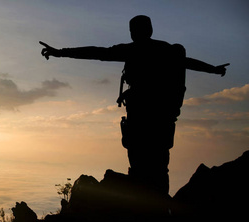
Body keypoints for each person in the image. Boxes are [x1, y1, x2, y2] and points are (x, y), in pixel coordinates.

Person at [40, 15, 228, 195]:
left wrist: (60, 53)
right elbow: (188, 63)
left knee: (139, 165)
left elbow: (97, 52)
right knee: (160, 165)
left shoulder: (131, 50)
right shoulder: (167, 50)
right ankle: (160, 206)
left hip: (140, 117)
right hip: (163, 119)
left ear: (134, 32)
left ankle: (144, 210)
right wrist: (213, 69)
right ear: (151, 30)